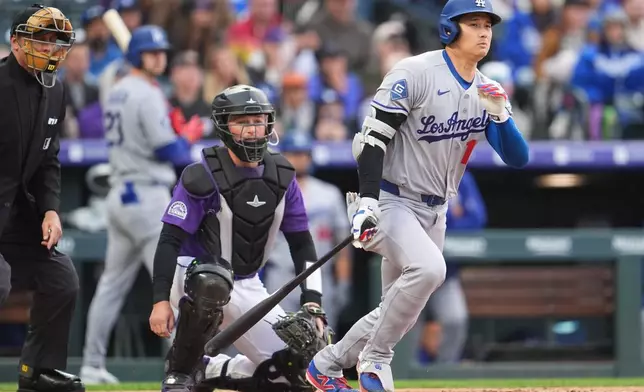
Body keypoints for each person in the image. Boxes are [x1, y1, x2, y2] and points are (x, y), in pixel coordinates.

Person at [306, 0, 530, 390]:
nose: (483, 32)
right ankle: (375, 360)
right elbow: (372, 141)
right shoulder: (414, 72)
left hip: (436, 209)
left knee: (397, 309)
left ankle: (324, 365)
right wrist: (369, 202)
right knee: (430, 271)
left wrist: (501, 115)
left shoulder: (485, 89)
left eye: (487, 25)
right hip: (392, 199)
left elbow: (517, 158)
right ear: (449, 29)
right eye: (472, 23)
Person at [149, 85, 332, 392]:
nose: (251, 130)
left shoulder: (284, 178)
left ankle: (210, 370)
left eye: (258, 120)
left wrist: (313, 302)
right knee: (212, 280)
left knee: (298, 369)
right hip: (195, 277)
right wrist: (159, 301)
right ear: (224, 126)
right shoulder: (201, 174)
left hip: (247, 282)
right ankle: (180, 371)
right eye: (241, 121)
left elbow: (302, 244)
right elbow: (169, 239)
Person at [80, 25, 192, 385]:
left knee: (111, 285)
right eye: (151, 52)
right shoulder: (145, 92)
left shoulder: (119, 89)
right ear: (136, 56)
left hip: (120, 194)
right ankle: (185, 367)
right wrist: (184, 136)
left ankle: (91, 364)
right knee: (172, 284)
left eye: (161, 52)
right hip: (146, 195)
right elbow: (169, 150)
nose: (159, 57)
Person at [0, 4, 85, 392]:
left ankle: (38, 373)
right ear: (15, 42)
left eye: (56, 41)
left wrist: (51, 209)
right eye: (41, 40)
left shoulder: (57, 90)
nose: (50, 49)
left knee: (62, 279)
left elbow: (48, 160)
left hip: (19, 216)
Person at [263, 133, 352, 333]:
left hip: (319, 276)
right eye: (292, 154)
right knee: (276, 341)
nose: (297, 159)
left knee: (321, 341)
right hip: (281, 276)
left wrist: (344, 281)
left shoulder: (329, 194)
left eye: (302, 154)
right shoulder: (270, 192)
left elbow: (341, 245)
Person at [419, 170, 486, 364]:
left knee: (455, 319)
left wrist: (450, 223)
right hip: (408, 268)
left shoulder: (463, 177)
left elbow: (476, 220)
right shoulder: (417, 171)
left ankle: (443, 372)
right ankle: (407, 376)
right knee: (405, 324)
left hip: (446, 274)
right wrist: (454, 217)